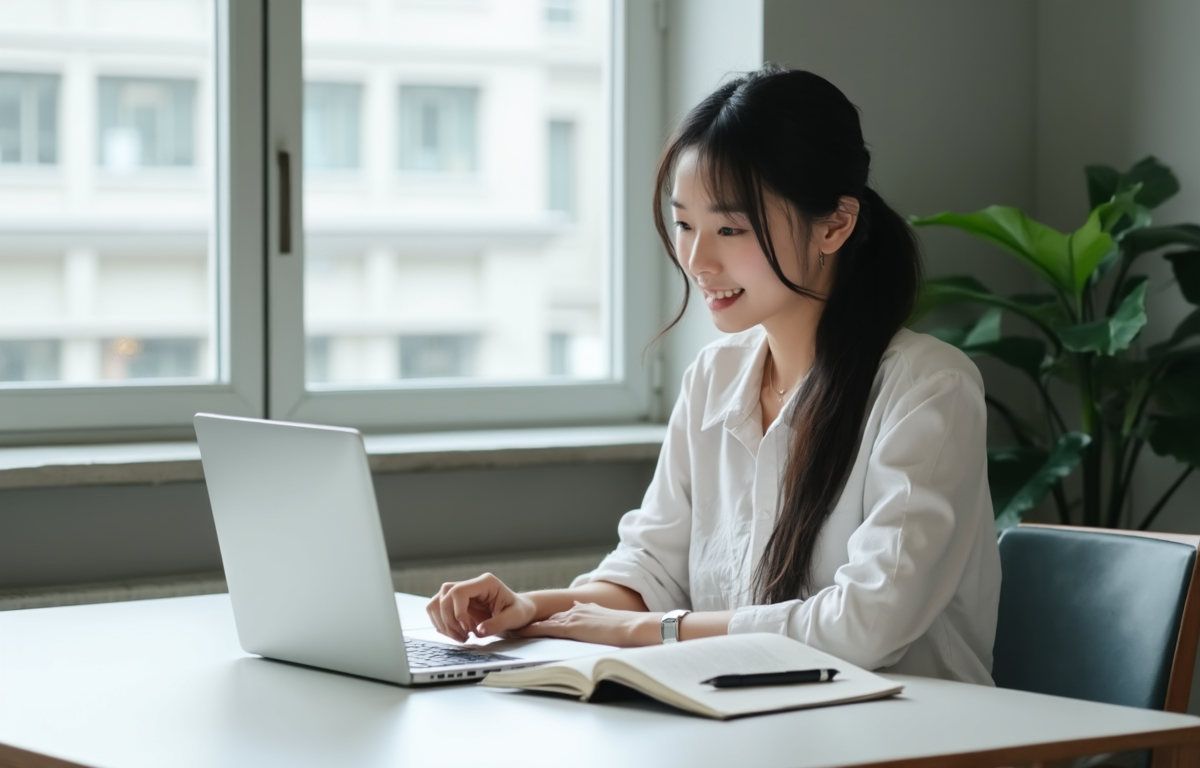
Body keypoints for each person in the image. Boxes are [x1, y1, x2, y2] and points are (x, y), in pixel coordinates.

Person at [426, 65, 1001, 685]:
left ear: (833, 225)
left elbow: (861, 628)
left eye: (730, 228)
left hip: (918, 735)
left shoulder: (927, 389)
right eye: (684, 224)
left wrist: (652, 633)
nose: (698, 259)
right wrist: (531, 608)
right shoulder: (714, 376)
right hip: (751, 725)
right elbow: (650, 573)